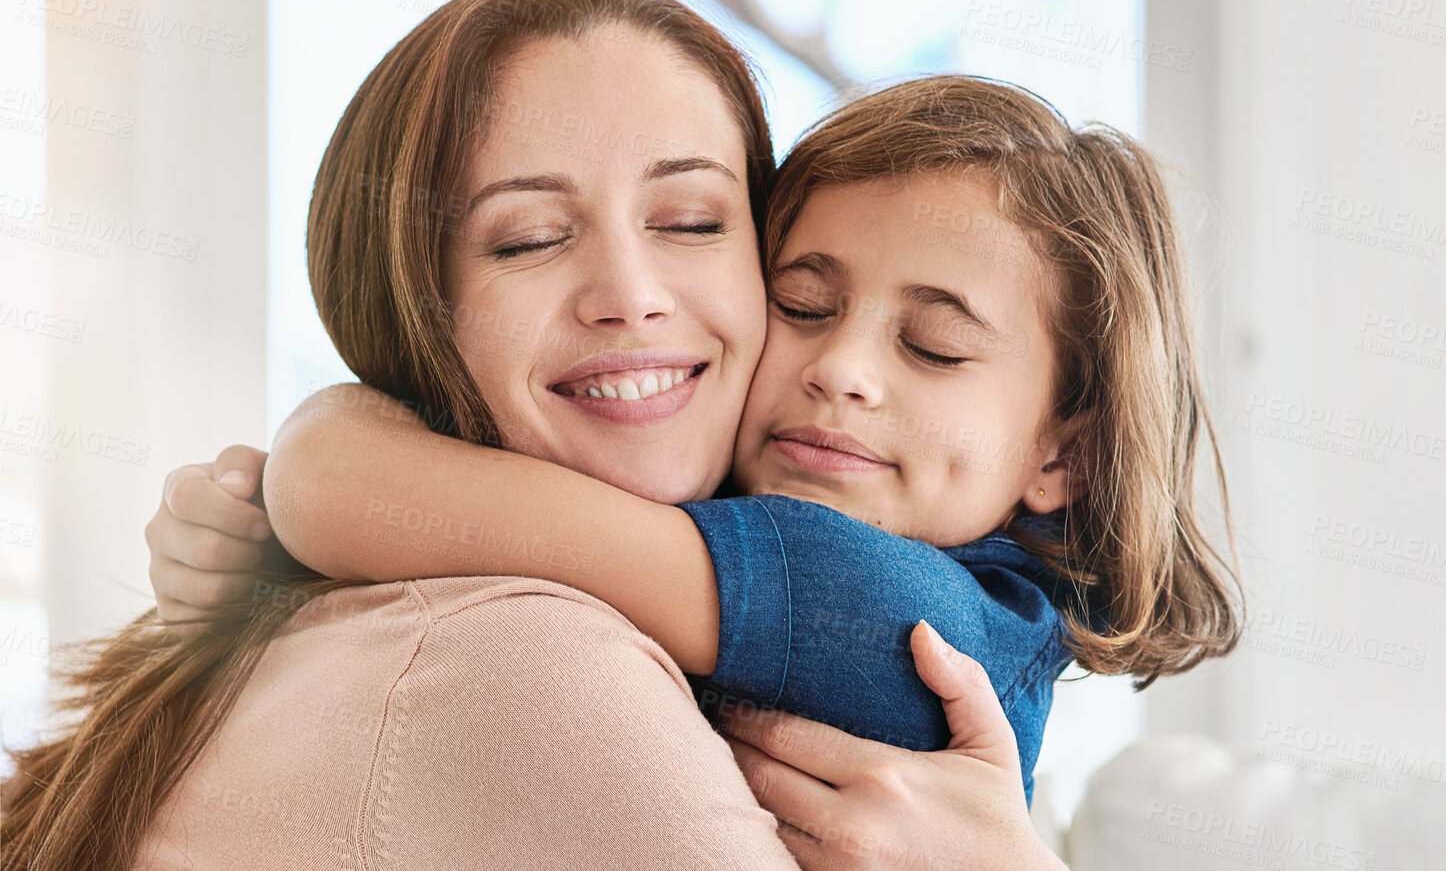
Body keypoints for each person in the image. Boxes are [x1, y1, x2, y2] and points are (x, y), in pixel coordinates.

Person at [0, 0, 1088, 869]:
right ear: (406, 299)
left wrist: (324, 459)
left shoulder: (906, 608)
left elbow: (346, 486)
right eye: (526, 238)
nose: (632, 291)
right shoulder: (534, 668)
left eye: (694, 218)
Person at [153, 75, 1241, 808]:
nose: (842, 368)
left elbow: (349, 487)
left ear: (1066, 456)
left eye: (935, 345)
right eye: (803, 305)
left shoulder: (912, 621)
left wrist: (302, 467)